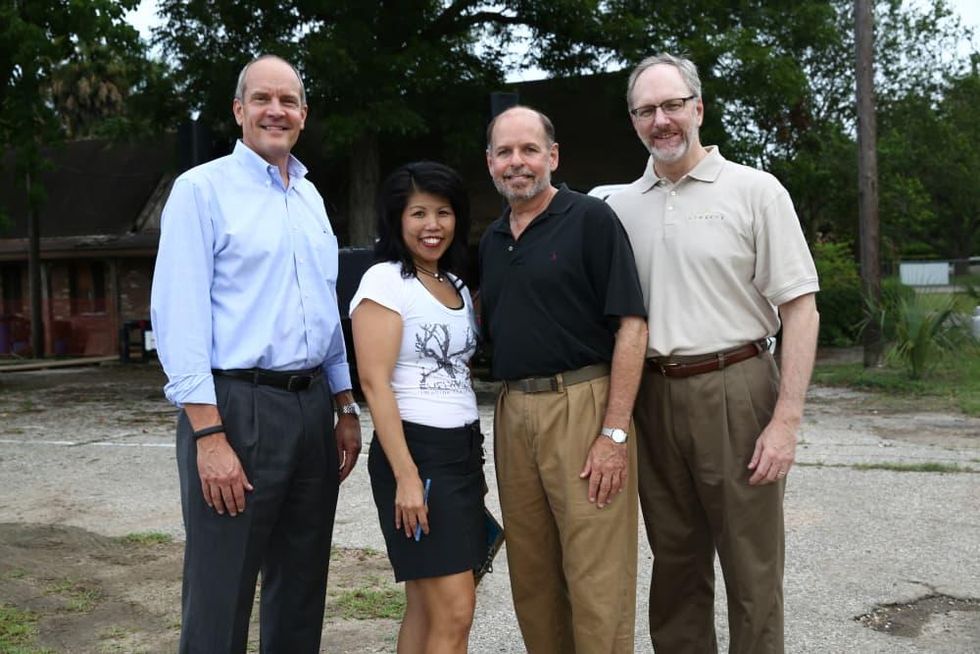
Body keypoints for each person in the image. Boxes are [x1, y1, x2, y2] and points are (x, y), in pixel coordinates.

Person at [607, 53, 821, 654]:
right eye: (646, 110)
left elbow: (800, 310)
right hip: (653, 396)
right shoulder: (619, 208)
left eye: (672, 105)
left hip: (737, 387)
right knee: (674, 566)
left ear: (698, 108)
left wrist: (786, 421)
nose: (661, 120)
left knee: (751, 569)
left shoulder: (755, 191)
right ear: (634, 122)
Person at [150, 54, 362, 653]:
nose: (276, 110)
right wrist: (209, 436)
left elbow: (325, 307)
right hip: (234, 408)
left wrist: (345, 403)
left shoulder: (312, 198)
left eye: (289, 100)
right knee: (221, 590)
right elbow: (178, 317)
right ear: (239, 110)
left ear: (303, 113)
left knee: (300, 587)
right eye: (262, 99)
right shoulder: (202, 190)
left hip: (311, 407)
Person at [479, 106, 648, 654]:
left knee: (596, 577)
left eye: (529, 150)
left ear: (552, 157)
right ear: (490, 163)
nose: (517, 162)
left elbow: (631, 327)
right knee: (532, 575)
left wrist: (613, 435)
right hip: (512, 411)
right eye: (504, 152)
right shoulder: (492, 240)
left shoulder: (590, 220)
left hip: (582, 404)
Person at [350, 161, 484, 653]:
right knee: (456, 610)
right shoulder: (385, 281)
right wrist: (407, 476)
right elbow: (374, 382)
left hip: (464, 452)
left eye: (443, 213)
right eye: (418, 213)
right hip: (417, 455)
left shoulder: (457, 284)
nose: (432, 226)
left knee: (427, 607)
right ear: (396, 220)